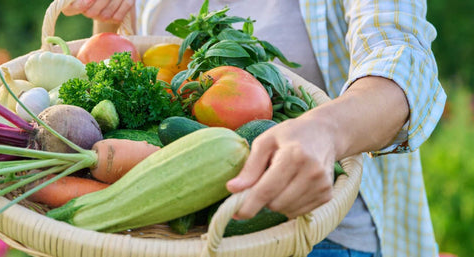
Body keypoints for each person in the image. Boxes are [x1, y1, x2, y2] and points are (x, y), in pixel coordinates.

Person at [63, 0, 446, 256]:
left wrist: (324, 130)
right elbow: (124, 58)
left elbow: (403, 57)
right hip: (174, 230)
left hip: (318, 230)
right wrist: (108, 13)